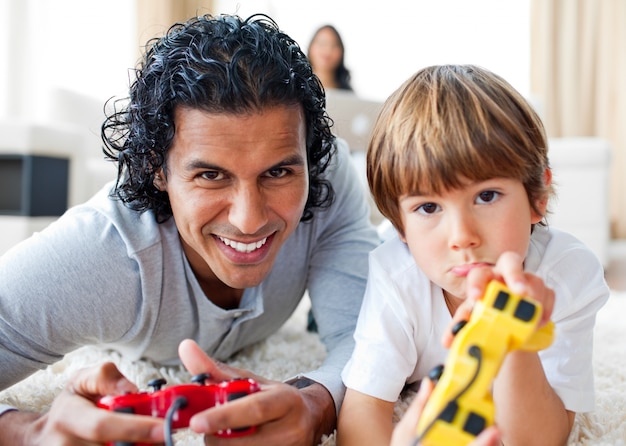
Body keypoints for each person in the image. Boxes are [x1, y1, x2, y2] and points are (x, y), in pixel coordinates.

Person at [0, 13, 379, 445]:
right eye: (211, 176)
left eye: (277, 172)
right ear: (156, 169)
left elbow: (369, 335)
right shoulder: (102, 252)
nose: (249, 219)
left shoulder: (326, 177)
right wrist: (26, 431)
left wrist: (317, 405)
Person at [337, 64, 609, 445]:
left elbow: (545, 437)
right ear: (400, 227)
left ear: (537, 199)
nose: (462, 237)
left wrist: (515, 337)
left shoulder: (567, 275)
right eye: (429, 208)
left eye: (486, 196)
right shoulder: (394, 272)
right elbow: (364, 407)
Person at [307, 25, 353, 91]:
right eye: (322, 44)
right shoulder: (295, 87)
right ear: (310, 48)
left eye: (334, 45)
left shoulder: (349, 95)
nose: (327, 50)